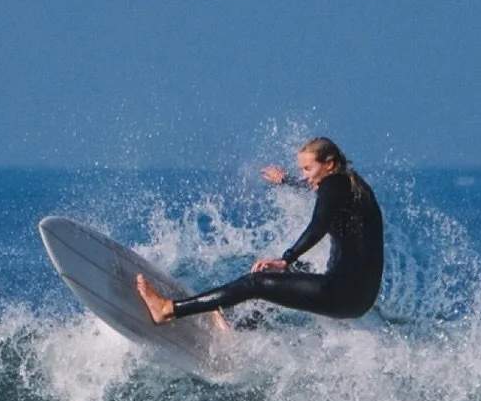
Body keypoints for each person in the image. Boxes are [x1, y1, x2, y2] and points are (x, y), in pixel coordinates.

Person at [135, 137, 383, 325]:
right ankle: (238, 326)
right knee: (298, 272)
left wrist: (285, 259)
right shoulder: (352, 186)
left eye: (307, 170)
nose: (304, 176)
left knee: (256, 282)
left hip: (341, 293)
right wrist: (286, 182)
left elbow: (318, 225)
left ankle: (168, 309)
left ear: (329, 164)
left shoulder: (333, 184)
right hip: (360, 298)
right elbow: (324, 199)